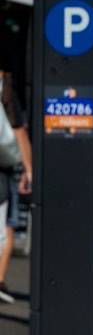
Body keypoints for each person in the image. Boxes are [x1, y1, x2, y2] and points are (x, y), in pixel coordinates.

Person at [0, 67, 32, 304]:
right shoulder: (4, 89)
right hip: (2, 171)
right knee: (6, 227)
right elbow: (18, 131)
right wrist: (28, 168)